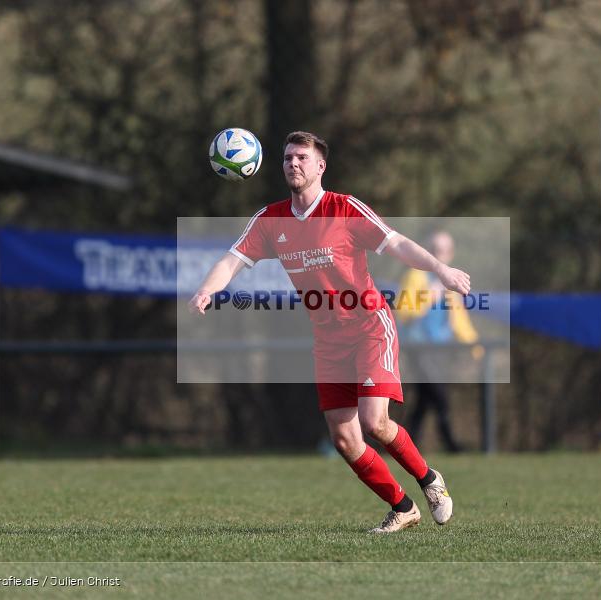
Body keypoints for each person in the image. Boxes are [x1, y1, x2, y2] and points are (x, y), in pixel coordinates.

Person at [188, 131, 471, 533]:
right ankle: (402, 506)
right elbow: (232, 261)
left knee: (376, 422)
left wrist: (440, 269)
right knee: (344, 440)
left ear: (321, 166)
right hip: (328, 337)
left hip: (370, 324)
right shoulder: (271, 220)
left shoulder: (344, 208)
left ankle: (430, 481)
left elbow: (398, 244)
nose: (293, 163)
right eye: (287, 157)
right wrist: (206, 289)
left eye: (302, 157)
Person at [397, 230, 480, 453]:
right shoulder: (415, 276)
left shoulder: (449, 281)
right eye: (434, 250)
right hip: (418, 348)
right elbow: (403, 312)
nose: (439, 255)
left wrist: (476, 347)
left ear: (451, 254)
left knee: (424, 400)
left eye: (443, 251)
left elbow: (459, 319)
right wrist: (429, 296)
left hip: (441, 349)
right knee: (439, 396)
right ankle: (451, 444)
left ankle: (405, 445)